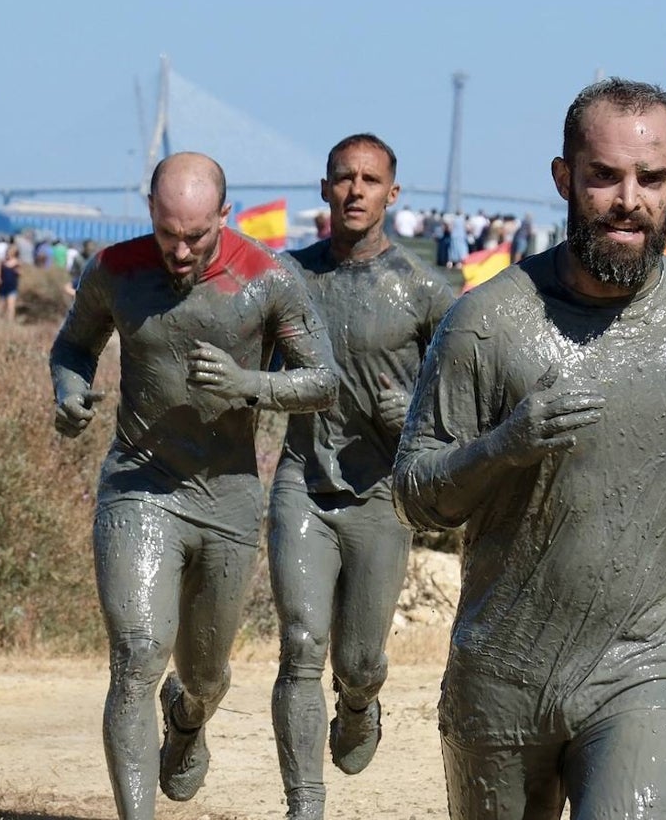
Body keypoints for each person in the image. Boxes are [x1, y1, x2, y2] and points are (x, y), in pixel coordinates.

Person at [392, 78, 666, 820]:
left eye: (650, 178)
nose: (627, 199)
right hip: (502, 670)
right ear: (564, 178)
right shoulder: (487, 322)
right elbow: (415, 492)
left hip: (650, 662)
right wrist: (506, 446)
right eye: (604, 176)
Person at [49, 151, 337, 820]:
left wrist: (249, 386)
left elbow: (322, 381)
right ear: (150, 211)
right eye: (168, 232)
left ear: (224, 217)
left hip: (229, 497)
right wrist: (69, 392)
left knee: (205, 673)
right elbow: (73, 346)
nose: (180, 251)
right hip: (139, 487)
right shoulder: (114, 272)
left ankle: (187, 718)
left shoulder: (268, 278)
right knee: (137, 654)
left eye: (197, 236)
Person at [268, 134, 456, 820]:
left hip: (380, 495)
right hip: (301, 483)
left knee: (358, 661)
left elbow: (468, 389)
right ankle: (304, 804)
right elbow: (235, 347)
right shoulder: (284, 276)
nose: (354, 190)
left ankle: (360, 702)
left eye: (369, 180)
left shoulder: (424, 292)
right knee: (299, 644)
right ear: (324, 189)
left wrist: (414, 414)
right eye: (342, 178)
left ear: (392, 195)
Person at [0, 243, 21, 321]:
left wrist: (18, 271)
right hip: (2, 286)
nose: (8, 252)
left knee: (11, 306)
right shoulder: (2, 262)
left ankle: (10, 322)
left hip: (12, 286)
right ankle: (0, 321)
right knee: (1, 306)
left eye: (10, 251)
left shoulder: (17, 262)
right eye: (8, 251)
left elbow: (20, 273)